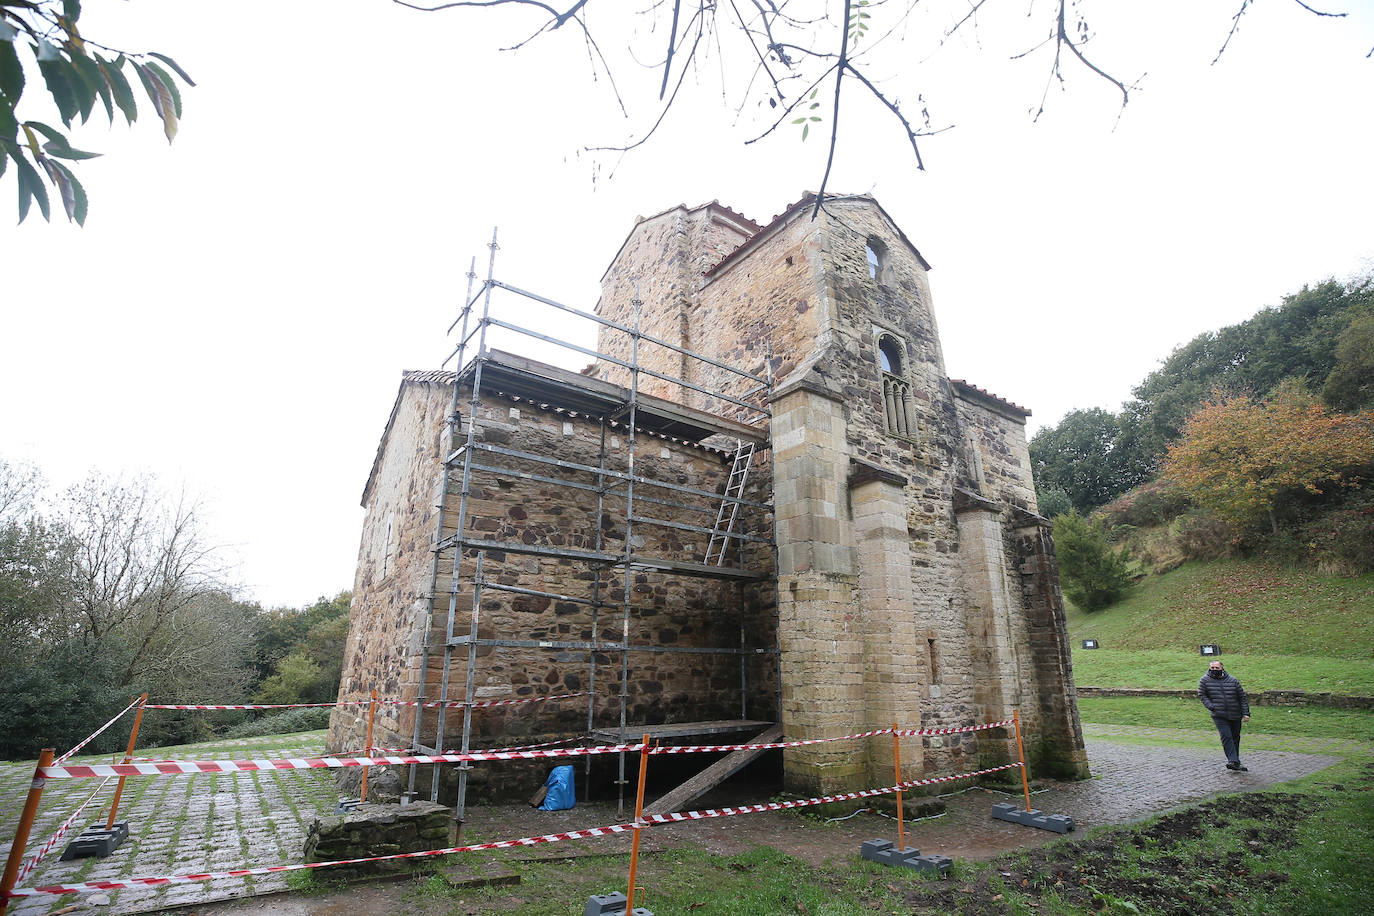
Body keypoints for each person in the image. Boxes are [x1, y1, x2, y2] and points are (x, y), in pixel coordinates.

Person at [1198, 659, 1251, 771]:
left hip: (1235, 713)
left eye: (1216, 668)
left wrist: (1246, 713)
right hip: (1219, 714)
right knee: (1226, 736)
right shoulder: (1204, 680)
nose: (1214, 670)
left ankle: (1236, 762)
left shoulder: (1233, 680)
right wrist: (1212, 706)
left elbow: (1242, 698)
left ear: (1222, 668)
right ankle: (1232, 760)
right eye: (1212, 668)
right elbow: (1202, 695)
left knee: (1235, 737)